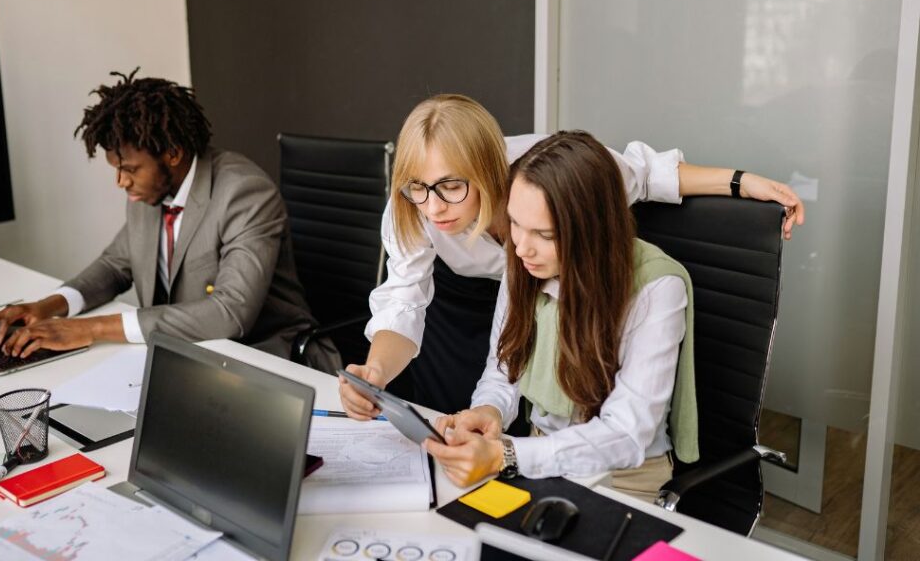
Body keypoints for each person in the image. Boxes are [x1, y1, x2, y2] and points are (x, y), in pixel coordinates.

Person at [339, 94, 803, 421]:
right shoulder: (412, 205)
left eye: (451, 186)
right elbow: (404, 302)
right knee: (472, 412)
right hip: (460, 304)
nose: (433, 206)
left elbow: (646, 174)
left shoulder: (553, 176)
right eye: (418, 187)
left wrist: (742, 182)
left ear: (488, 168)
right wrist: (376, 371)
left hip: (545, 295)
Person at [0, 69, 339, 371]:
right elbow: (115, 265)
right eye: (117, 169)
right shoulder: (148, 192)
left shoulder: (244, 193)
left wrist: (91, 329)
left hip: (264, 357)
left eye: (130, 169)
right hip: (184, 357)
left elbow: (231, 313)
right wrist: (48, 306)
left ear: (173, 153)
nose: (121, 182)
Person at [425, 131, 695, 502]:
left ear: (594, 229)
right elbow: (505, 367)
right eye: (514, 223)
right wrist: (488, 410)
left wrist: (508, 455)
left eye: (545, 234)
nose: (521, 246)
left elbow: (627, 433)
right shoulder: (523, 262)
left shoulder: (657, 288)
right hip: (537, 460)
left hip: (624, 479)